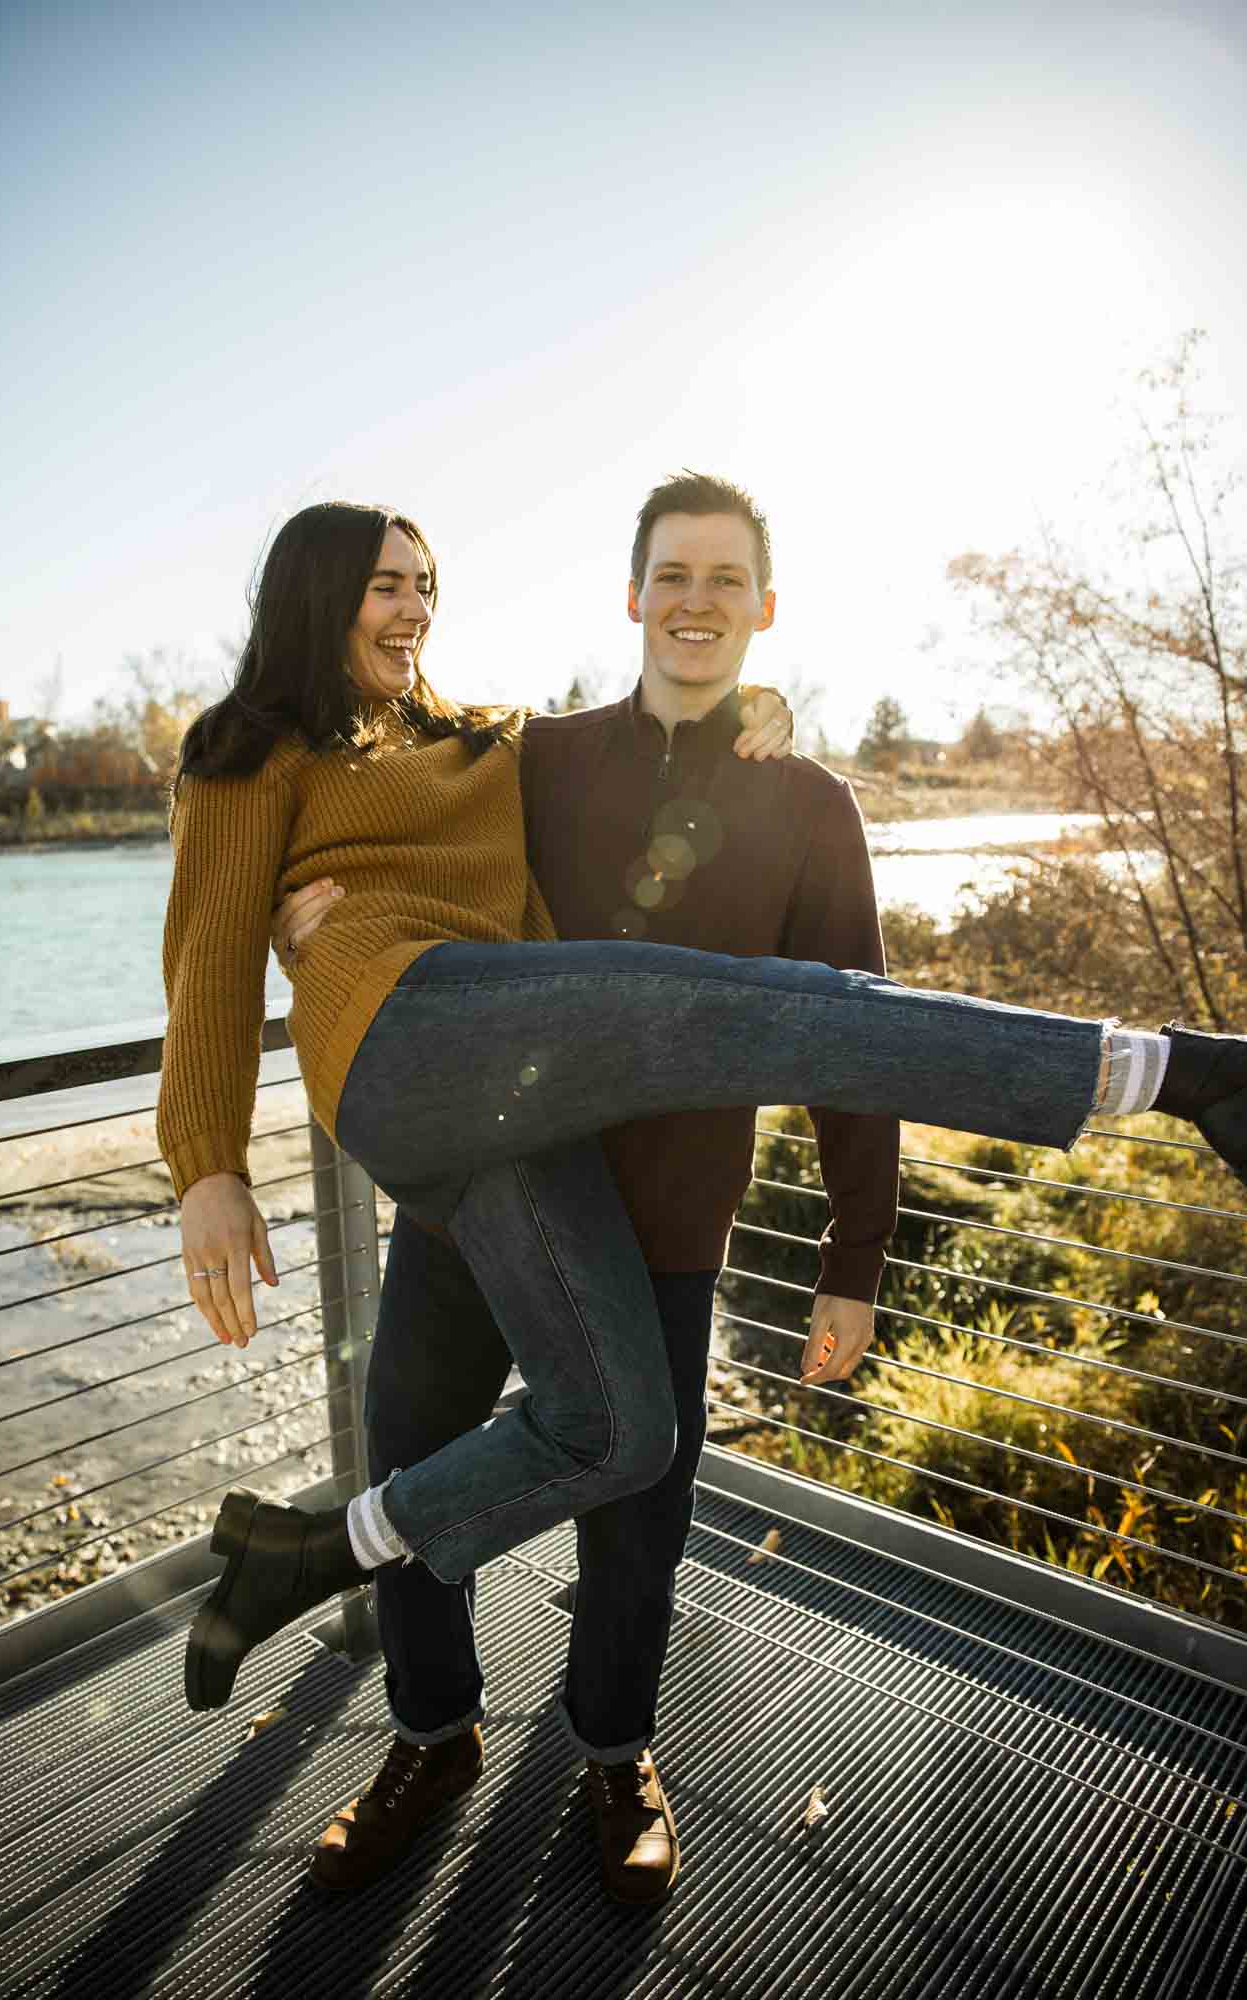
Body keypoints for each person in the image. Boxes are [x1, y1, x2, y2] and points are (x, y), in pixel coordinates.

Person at [159, 497, 1246, 1893]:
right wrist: (207, 1170)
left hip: (527, 1115)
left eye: (425, 584)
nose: (412, 608)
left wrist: (757, 708)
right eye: (382, 587)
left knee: (624, 1432)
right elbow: (205, 970)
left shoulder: (492, 741)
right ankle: (1170, 1070)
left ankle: (312, 1554)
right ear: (314, 596)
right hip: (407, 1039)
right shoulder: (248, 752)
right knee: (733, 1011)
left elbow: (668, 706)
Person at [267, 471, 898, 1904]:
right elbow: (372, 820)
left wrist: (854, 1253)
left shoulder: (808, 807)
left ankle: (615, 1755)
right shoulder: (526, 760)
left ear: (764, 607)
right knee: (407, 1462)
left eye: (723, 580)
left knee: (639, 1518)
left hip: (670, 1220)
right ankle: (431, 1737)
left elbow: (852, 1035)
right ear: (630, 594)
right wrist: (315, 921)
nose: (694, 602)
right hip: (482, 1198)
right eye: (671, 575)